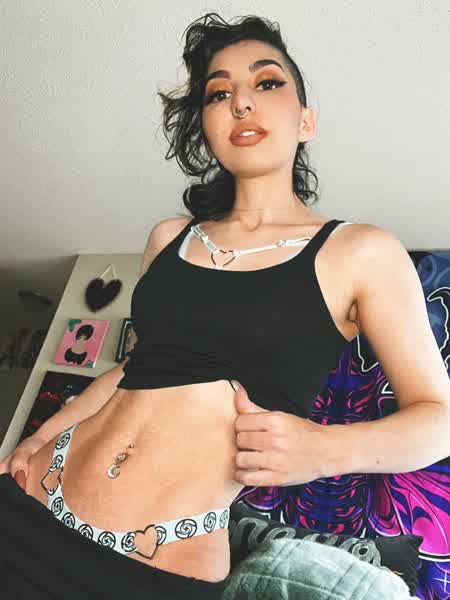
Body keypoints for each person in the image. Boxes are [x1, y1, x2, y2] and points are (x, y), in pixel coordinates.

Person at [1, 12, 449, 600]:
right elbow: (133, 372)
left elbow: (439, 418)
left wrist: (323, 449)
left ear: (306, 120)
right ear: (208, 126)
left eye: (267, 82)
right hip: (34, 498)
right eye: (219, 92)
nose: (241, 101)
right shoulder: (169, 238)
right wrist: (37, 439)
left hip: (157, 566)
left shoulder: (360, 252)